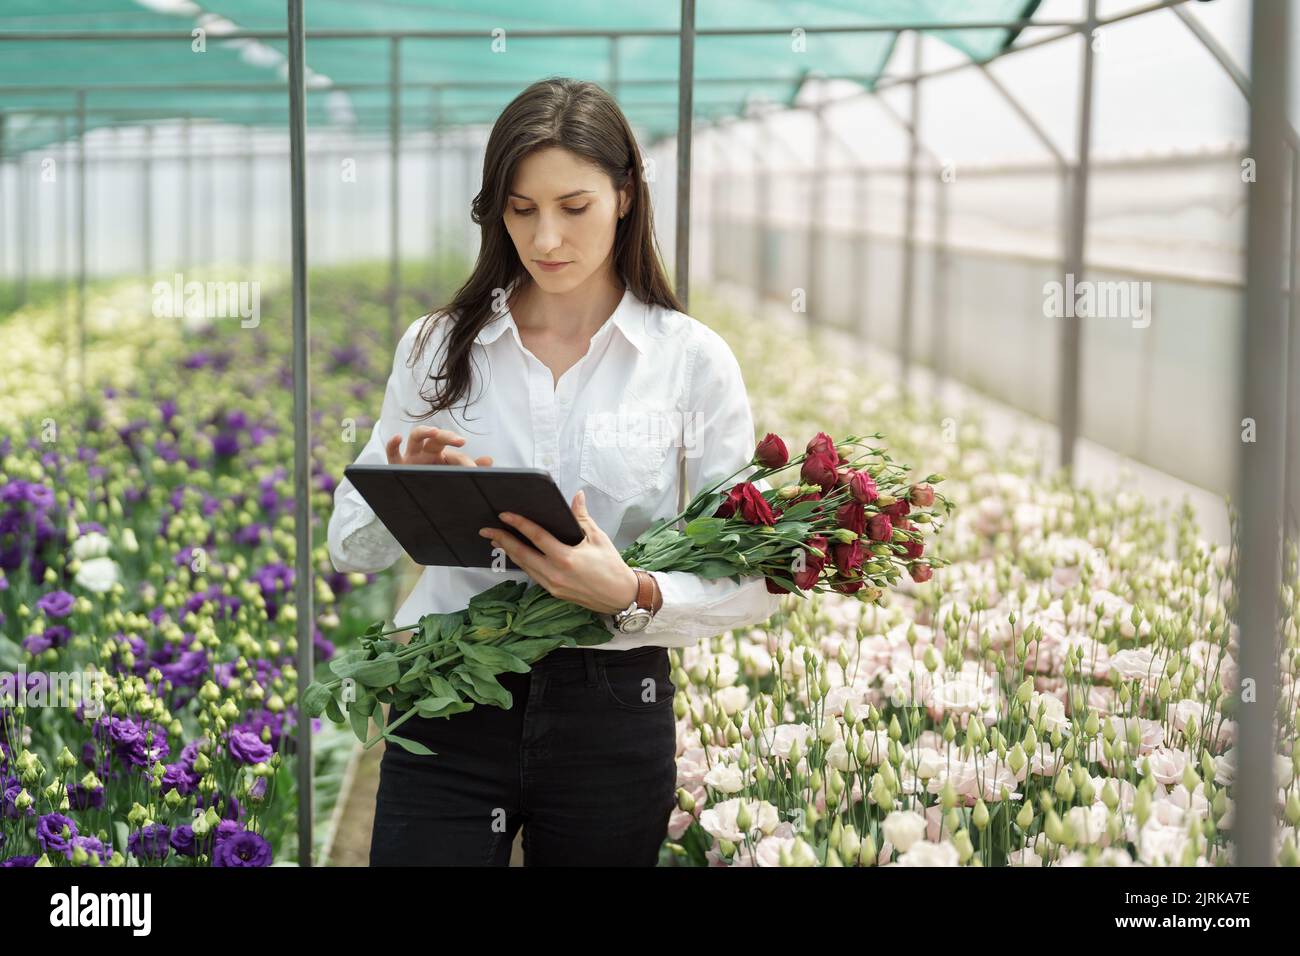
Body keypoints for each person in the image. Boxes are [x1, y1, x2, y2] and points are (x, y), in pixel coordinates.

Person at [326, 76, 782, 866]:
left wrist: (634, 595)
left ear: (626, 196)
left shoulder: (689, 363)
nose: (545, 240)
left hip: (612, 706)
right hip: (447, 687)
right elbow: (351, 551)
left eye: (574, 208)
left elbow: (755, 579)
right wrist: (395, 481)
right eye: (520, 209)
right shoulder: (438, 348)